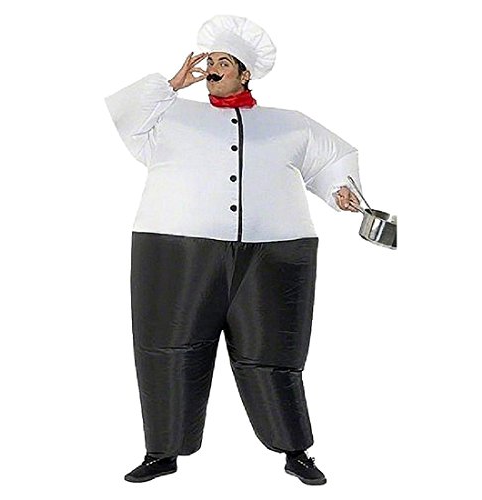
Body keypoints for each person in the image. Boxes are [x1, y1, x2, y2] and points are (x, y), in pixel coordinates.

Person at [104, 14, 362, 486]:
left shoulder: (288, 124)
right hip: (175, 249)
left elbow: (331, 159)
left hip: (276, 253)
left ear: (245, 73)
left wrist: (341, 191)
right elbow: (125, 114)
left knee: (275, 352)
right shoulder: (170, 115)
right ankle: (161, 452)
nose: (214, 68)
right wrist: (172, 85)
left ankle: (296, 451)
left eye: (226, 62)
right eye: (212, 61)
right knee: (168, 348)